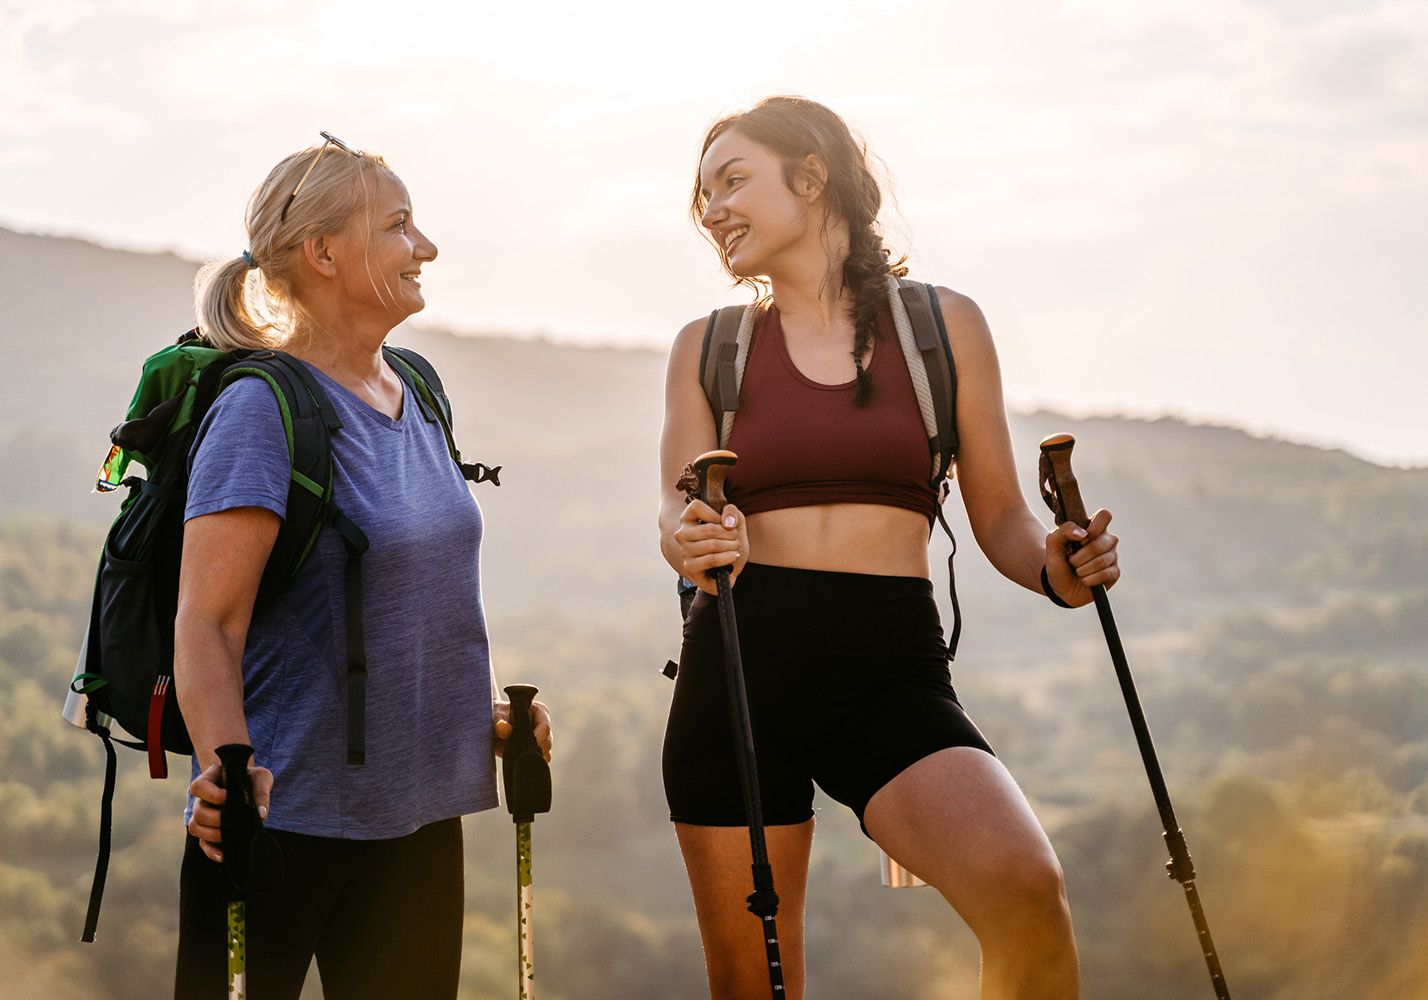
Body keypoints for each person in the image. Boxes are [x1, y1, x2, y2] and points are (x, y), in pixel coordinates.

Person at [658, 97, 1119, 1000]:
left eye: (733, 180)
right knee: (758, 989)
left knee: (1028, 893)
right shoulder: (708, 347)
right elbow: (675, 518)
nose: (712, 210)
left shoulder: (943, 330)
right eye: (702, 195)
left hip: (890, 672)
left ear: (814, 177)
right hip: (742, 671)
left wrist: (1059, 569)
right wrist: (690, 539)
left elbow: (1001, 519)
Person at [172, 133, 551, 999]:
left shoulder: (417, 389)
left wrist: (481, 713)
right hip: (279, 821)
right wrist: (225, 768)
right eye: (401, 226)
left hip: (419, 822)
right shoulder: (261, 412)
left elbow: (407, 595)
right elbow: (206, 619)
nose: (427, 248)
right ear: (325, 253)